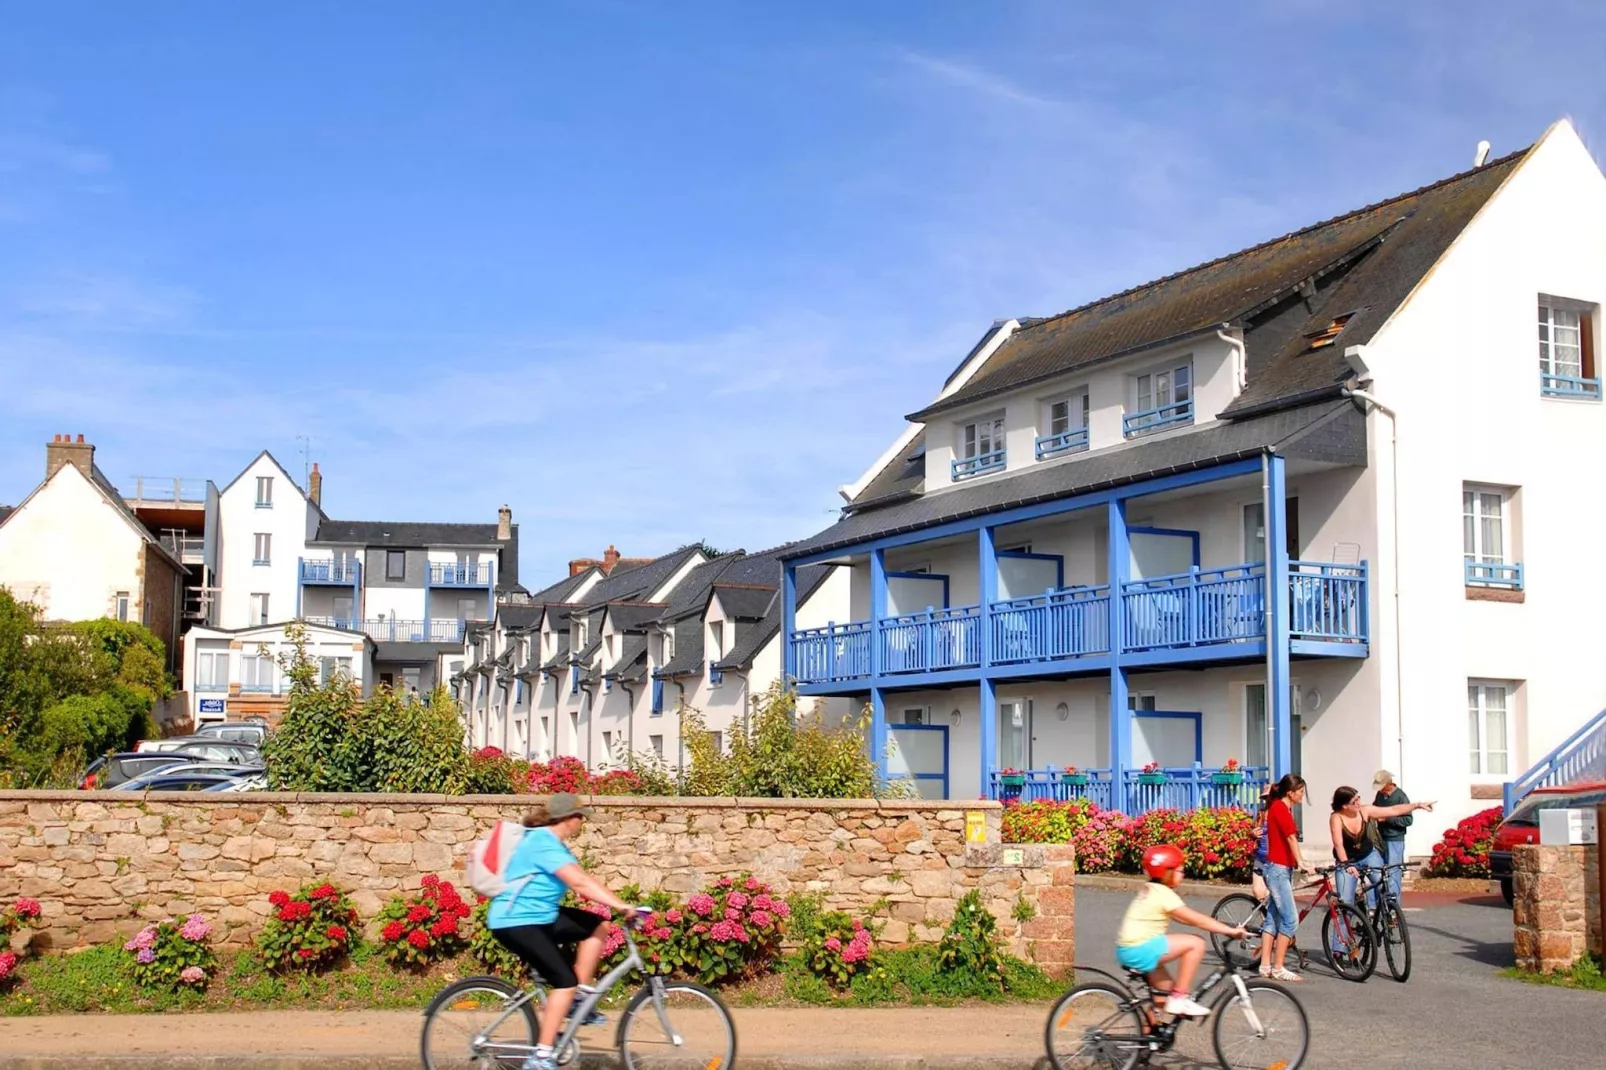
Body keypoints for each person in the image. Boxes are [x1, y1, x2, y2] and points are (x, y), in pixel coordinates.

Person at [486, 792, 637, 1070]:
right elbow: (579, 882)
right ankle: (541, 1057)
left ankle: (573, 999)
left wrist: (617, 904)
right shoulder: (542, 842)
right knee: (564, 981)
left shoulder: (558, 846)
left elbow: (583, 882)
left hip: (541, 916)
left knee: (597, 925)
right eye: (580, 817)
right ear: (567, 818)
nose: (582, 822)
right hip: (516, 921)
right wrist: (622, 905)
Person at [1116, 843, 1249, 1018]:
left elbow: (1182, 918)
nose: (1183, 874)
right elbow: (1195, 920)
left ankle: (1150, 1040)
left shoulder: (1151, 890)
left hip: (1129, 949)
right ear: (1167, 872)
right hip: (1140, 948)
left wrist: (1224, 928)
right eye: (1180, 870)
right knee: (1196, 943)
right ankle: (1180, 998)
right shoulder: (1163, 893)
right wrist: (1230, 931)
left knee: (1162, 999)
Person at [1331, 784, 1433, 910]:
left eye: (1359, 798)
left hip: (1368, 855)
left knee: (1385, 886)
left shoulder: (1364, 811)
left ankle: (1387, 916)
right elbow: (1338, 844)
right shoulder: (1336, 818)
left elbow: (1393, 810)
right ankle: (1346, 923)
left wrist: (1417, 805)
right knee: (1345, 904)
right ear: (1344, 806)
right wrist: (1347, 864)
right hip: (1346, 860)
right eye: (1354, 801)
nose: (1359, 803)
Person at [1257, 773, 1313, 981]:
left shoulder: (1282, 807)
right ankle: (1278, 966)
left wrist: (1298, 861)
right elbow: (1291, 837)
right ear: (1290, 792)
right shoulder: (1280, 808)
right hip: (1279, 869)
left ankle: (1265, 965)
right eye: (1300, 792)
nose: (1302, 796)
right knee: (1290, 920)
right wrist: (1301, 862)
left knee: (1273, 918)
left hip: (1279, 867)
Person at [1372, 770, 1413, 904]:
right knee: (1379, 872)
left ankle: (1393, 906)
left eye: (1382, 787)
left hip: (1395, 840)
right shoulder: (1379, 796)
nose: (1381, 790)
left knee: (1393, 872)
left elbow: (1408, 820)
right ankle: (1380, 904)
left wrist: (1388, 819)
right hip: (1380, 838)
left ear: (1389, 784)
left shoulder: (1401, 797)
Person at [1250, 782, 1274, 901]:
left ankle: (1270, 918)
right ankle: (1265, 918)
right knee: (1258, 892)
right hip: (1260, 857)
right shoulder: (1261, 813)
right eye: (1266, 797)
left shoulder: (1282, 813)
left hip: (1275, 861)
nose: (1268, 800)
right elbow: (1252, 829)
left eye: (1271, 796)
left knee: (1276, 896)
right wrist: (1253, 833)